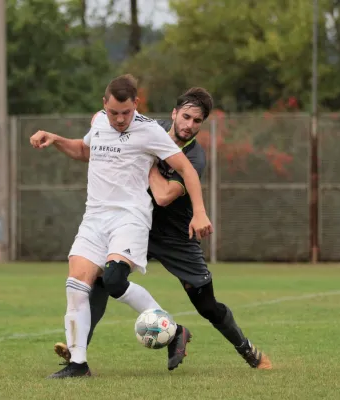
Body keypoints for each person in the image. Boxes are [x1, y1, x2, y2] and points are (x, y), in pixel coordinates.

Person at [53, 87, 272, 371]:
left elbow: (164, 196)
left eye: (196, 121)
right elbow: (98, 145)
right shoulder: (148, 128)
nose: (189, 125)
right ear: (174, 114)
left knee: (207, 306)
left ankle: (246, 349)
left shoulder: (194, 158)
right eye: (186, 117)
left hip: (177, 239)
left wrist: (147, 161)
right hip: (135, 225)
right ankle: (77, 354)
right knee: (103, 282)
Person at [30, 75, 213, 379]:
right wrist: (56, 139)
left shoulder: (150, 130)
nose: (119, 119)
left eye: (125, 113)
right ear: (105, 105)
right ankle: (78, 364)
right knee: (76, 286)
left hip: (130, 217)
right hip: (94, 217)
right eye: (114, 112)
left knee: (114, 280)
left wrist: (200, 212)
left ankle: (174, 330)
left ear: (136, 105)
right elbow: (85, 151)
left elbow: (187, 171)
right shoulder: (99, 122)